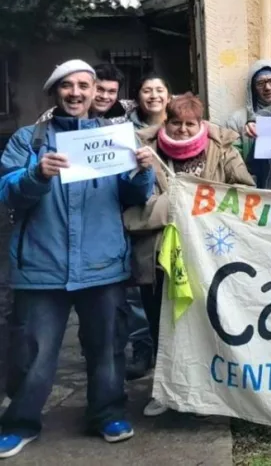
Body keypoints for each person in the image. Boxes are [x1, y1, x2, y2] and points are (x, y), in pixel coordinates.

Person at [0, 60, 156, 458]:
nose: (76, 92)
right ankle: (19, 422)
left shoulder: (114, 137)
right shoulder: (29, 139)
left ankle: (107, 414)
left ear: (94, 92)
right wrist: (36, 175)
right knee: (32, 351)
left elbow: (133, 196)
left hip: (101, 264)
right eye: (67, 85)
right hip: (41, 266)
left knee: (107, 347)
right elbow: (5, 193)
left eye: (83, 86)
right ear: (55, 91)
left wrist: (142, 173)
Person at [123, 94, 255, 417]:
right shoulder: (143, 152)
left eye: (190, 124)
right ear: (164, 122)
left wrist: (199, 205)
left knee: (203, 324)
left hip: (208, 255)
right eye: (176, 123)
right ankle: (165, 393)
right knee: (161, 325)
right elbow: (134, 213)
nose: (182, 130)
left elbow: (246, 195)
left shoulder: (221, 149)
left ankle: (207, 391)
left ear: (201, 124)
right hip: (157, 257)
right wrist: (186, 204)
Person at [224, 60, 271, 160]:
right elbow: (232, 159)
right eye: (260, 83)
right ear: (253, 88)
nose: (267, 87)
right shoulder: (237, 120)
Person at [36, 63, 135, 124]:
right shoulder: (50, 116)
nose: (104, 97)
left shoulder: (128, 109)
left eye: (112, 91)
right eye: (99, 89)